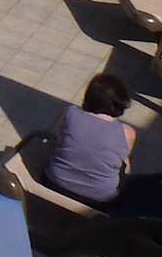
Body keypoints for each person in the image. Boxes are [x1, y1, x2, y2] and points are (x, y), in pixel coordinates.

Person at [43, 73, 138, 205]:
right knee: (125, 167)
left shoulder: (70, 113)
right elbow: (124, 164)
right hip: (100, 199)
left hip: (55, 181)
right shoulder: (127, 132)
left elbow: (59, 138)